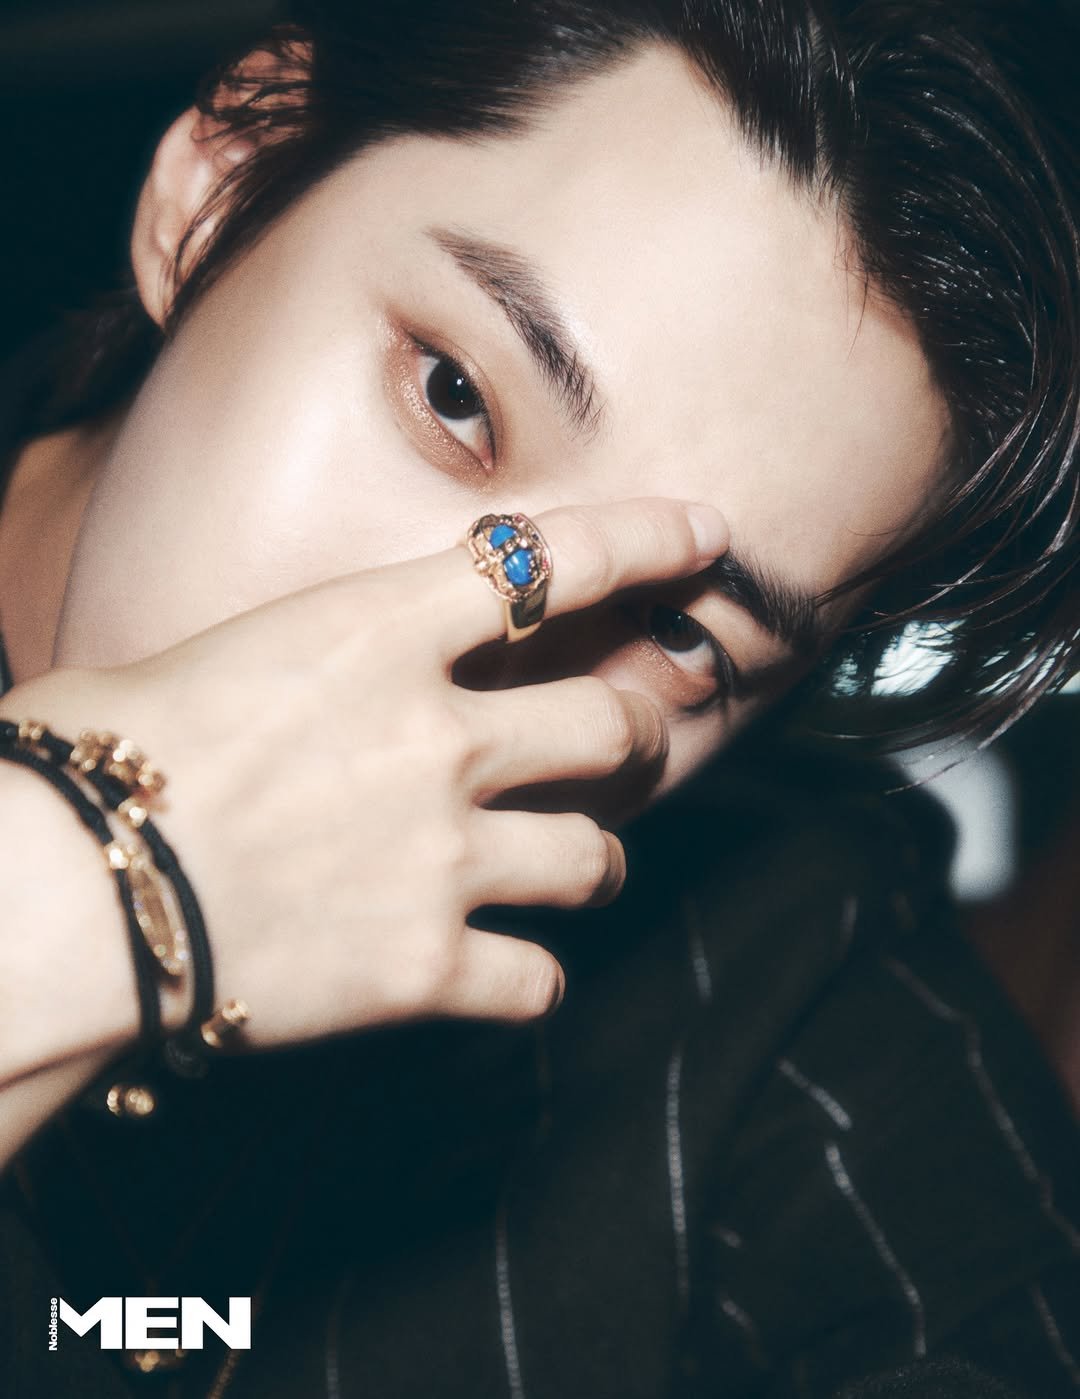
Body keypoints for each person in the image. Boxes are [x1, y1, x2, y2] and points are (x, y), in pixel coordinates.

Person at [0, 0, 1076, 1395]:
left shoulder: (774, 995)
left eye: (674, 628)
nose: (474, 646)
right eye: (455, 396)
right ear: (220, 186)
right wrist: (92, 886)